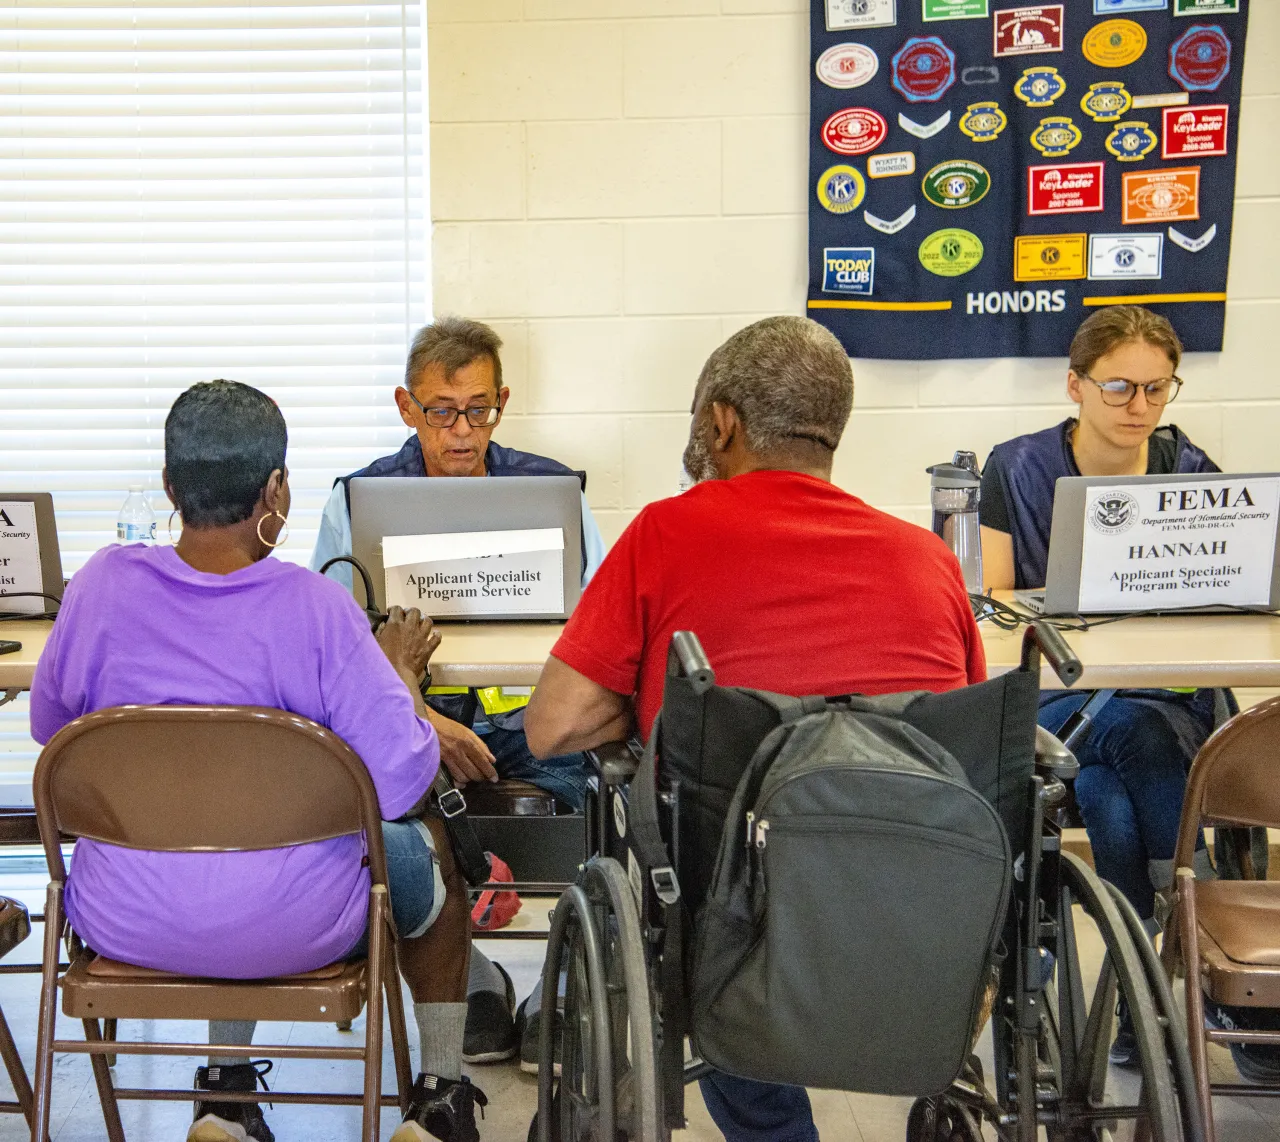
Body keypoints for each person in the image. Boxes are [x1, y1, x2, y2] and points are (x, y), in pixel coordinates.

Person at [524, 315, 986, 1142]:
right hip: (925, 905)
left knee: (707, 904)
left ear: (721, 422)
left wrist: (641, 702)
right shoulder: (930, 559)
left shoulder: (667, 532)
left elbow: (552, 727)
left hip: (743, 918)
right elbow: (960, 745)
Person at [30, 381, 484, 1142]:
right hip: (298, 922)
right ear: (276, 489)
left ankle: (223, 1096)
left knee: (213, 832)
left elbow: (51, 726)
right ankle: (441, 1098)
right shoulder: (315, 607)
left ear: (172, 487)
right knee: (429, 852)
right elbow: (403, 783)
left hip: (123, 917)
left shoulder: (100, 588)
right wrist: (399, 675)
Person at [977, 304, 1270, 1073]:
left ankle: (1141, 996)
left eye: (1156, 388)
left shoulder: (1189, 467)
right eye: (1119, 389)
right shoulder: (1015, 466)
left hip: (1163, 695)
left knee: (1109, 793)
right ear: (1074, 385)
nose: (1139, 407)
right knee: (1131, 739)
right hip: (1067, 693)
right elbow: (1001, 602)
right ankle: (1204, 941)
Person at [310, 315, 605, 1066]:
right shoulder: (356, 499)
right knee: (397, 811)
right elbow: (333, 651)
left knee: (594, 816)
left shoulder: (553, 491)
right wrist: (422, 722)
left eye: (478, 408)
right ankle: (471, 980)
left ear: (501, 401)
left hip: (532, 729)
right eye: (441, 411)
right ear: (408, 408)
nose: (461, 431)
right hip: (420, 734)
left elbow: (601, 629)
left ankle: (559, 987)